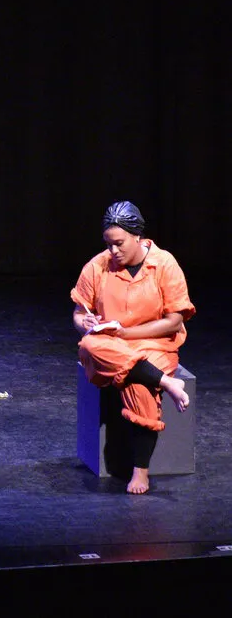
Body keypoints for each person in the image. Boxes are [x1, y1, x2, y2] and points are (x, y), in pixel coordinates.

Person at [74, 200, 193, 494]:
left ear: (137, 236)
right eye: (108, 244)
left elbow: (174, 321)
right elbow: (78, 313)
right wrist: (85, 322)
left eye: (119, 244)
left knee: (138, 386)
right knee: (90, 344)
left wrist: (126, 333)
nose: (113, 251)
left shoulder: (164, 264)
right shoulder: (98, 266)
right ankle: (167, 381)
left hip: (153, 345)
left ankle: (141, 471)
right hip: (112, 346)